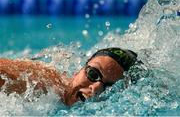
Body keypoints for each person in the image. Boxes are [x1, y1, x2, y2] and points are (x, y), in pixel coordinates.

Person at [0, 47, 137, 106]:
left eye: (109, 87)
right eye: (93, 74)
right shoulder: (39, 83)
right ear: (79, 70)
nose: (96, 88)